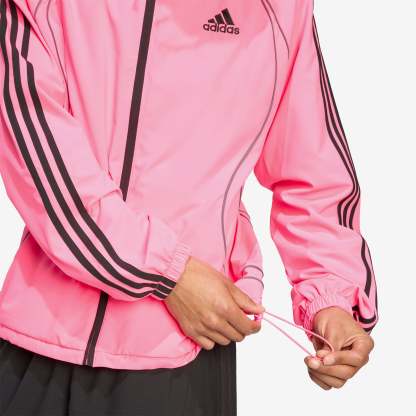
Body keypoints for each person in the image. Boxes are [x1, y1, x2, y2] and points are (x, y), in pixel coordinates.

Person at [0, 0, 378, 415]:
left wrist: (331, 301)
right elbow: (41, 161)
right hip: (40, 349)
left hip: (187, 351)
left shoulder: (279, 9)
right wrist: (169, 273)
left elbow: (312, 172)